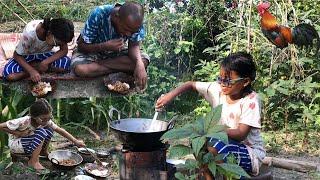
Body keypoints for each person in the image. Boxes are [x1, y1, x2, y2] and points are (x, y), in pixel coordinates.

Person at [156, 52, 265, 177]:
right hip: (222, 143)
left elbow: (241, 134)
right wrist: (169, 96)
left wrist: (213, 131)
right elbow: (190, 84)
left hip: (250, 154)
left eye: (228, 81)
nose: (223, 84)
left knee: (214, 145)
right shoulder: (217, 89)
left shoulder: (251, 100)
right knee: (198, 142)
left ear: (245, 82)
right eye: (220, 79)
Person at [71, 1, 149, 90]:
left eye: (132, 32)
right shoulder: (99, 14)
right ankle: (119, 67)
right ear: (117, 18)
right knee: (81, 70)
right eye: (125, 29)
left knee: (143, 61)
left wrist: (139, 64)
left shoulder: (136, 22)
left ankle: (102, 66)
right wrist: (104, 46)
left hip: (115, 55)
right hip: (92, 53)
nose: (128, 34)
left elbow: (134, 46)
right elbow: (81, 46)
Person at [0, 98, 85, 170]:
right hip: (16, 144)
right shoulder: (24, 121)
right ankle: (33, 162)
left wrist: (75, 141)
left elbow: (60, 130)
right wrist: (19, 133)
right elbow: (1, 126)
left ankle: (43, 152)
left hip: (27, 142)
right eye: (43, 118)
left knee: (49, 129)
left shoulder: (45, 121)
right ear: (34, 116)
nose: (46, 121)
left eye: (49, 118)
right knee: (41, 132)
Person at [2, 18, 74, 82]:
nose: (57, 45)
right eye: (56, 43)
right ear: (49, 33)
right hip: (26, 56)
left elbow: (64, 50)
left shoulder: (58, 31)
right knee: (10, 75)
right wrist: (31, 71)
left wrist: (45, 62)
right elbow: (16, 55)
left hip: (45, 54)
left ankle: (39, 67)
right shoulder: (30, 34)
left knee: (67, 64)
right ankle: (38, 69)